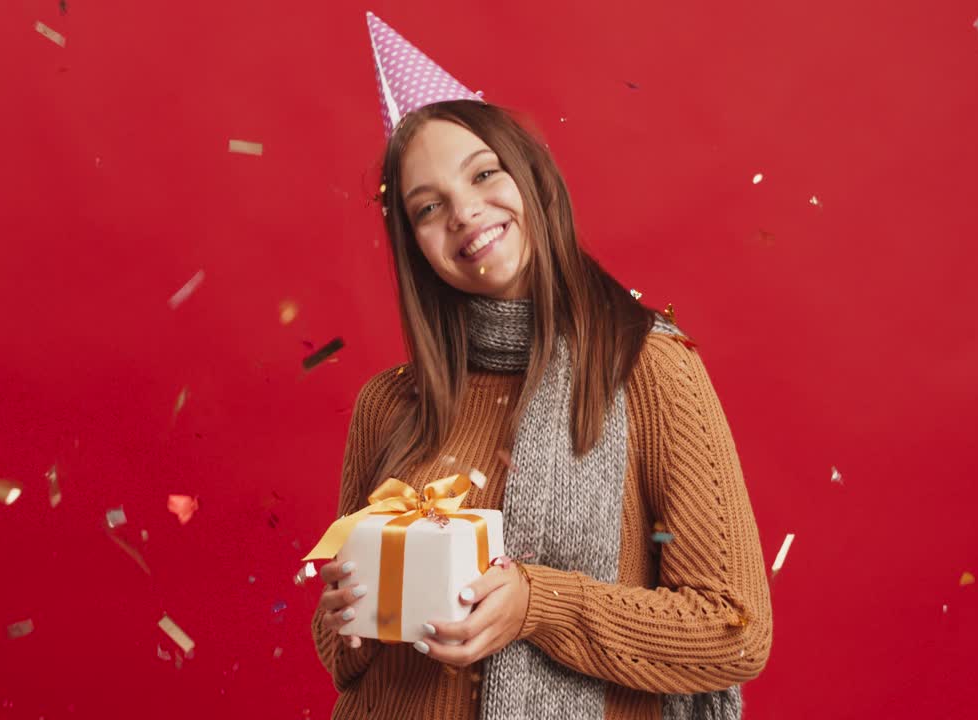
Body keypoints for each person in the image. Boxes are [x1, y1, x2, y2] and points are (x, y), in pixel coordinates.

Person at [310, 12, 771, 720]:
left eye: (483, 174)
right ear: (414, 247)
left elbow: (734, 628)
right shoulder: (389, 404)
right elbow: (344, 658)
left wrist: (538, 604)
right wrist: (345, 611)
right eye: (429, 206)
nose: (464, 213)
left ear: (531, 178)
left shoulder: (647, 366)